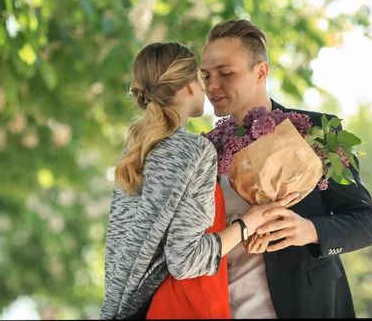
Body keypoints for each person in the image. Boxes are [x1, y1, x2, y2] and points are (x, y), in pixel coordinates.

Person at [98, 42, 301, 320]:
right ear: (189, 86)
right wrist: (249, 223)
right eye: (201, 77)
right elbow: (185, 260)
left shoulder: (136, 149)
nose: (207, 86)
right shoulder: (194, 150)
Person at [200, 19, 372, 318]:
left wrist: (309, 230)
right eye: (205, 75)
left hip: (308, 305)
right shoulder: (205, 151)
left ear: (261, 71)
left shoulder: (318, 131)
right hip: (223, 307)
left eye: (225, 73)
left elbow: (367, 223)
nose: (212, 85)